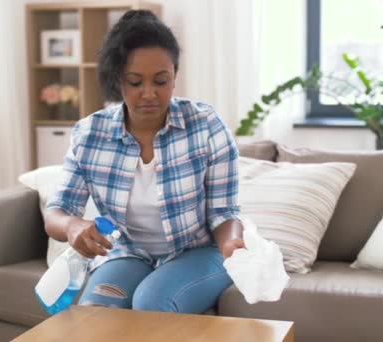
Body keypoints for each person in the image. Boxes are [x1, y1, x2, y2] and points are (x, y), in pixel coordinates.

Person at [45, 9, 244, 314]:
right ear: (118, 81)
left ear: (174, 76)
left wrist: (233, 244)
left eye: (161, 81)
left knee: (152, 302)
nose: (149, 93)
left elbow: (223, 212)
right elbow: (57, 212)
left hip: (199, 252)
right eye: (135, 82)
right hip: (128, 253)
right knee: (95, 311)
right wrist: (72, 226)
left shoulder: (205, 125)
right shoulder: (90, 134)